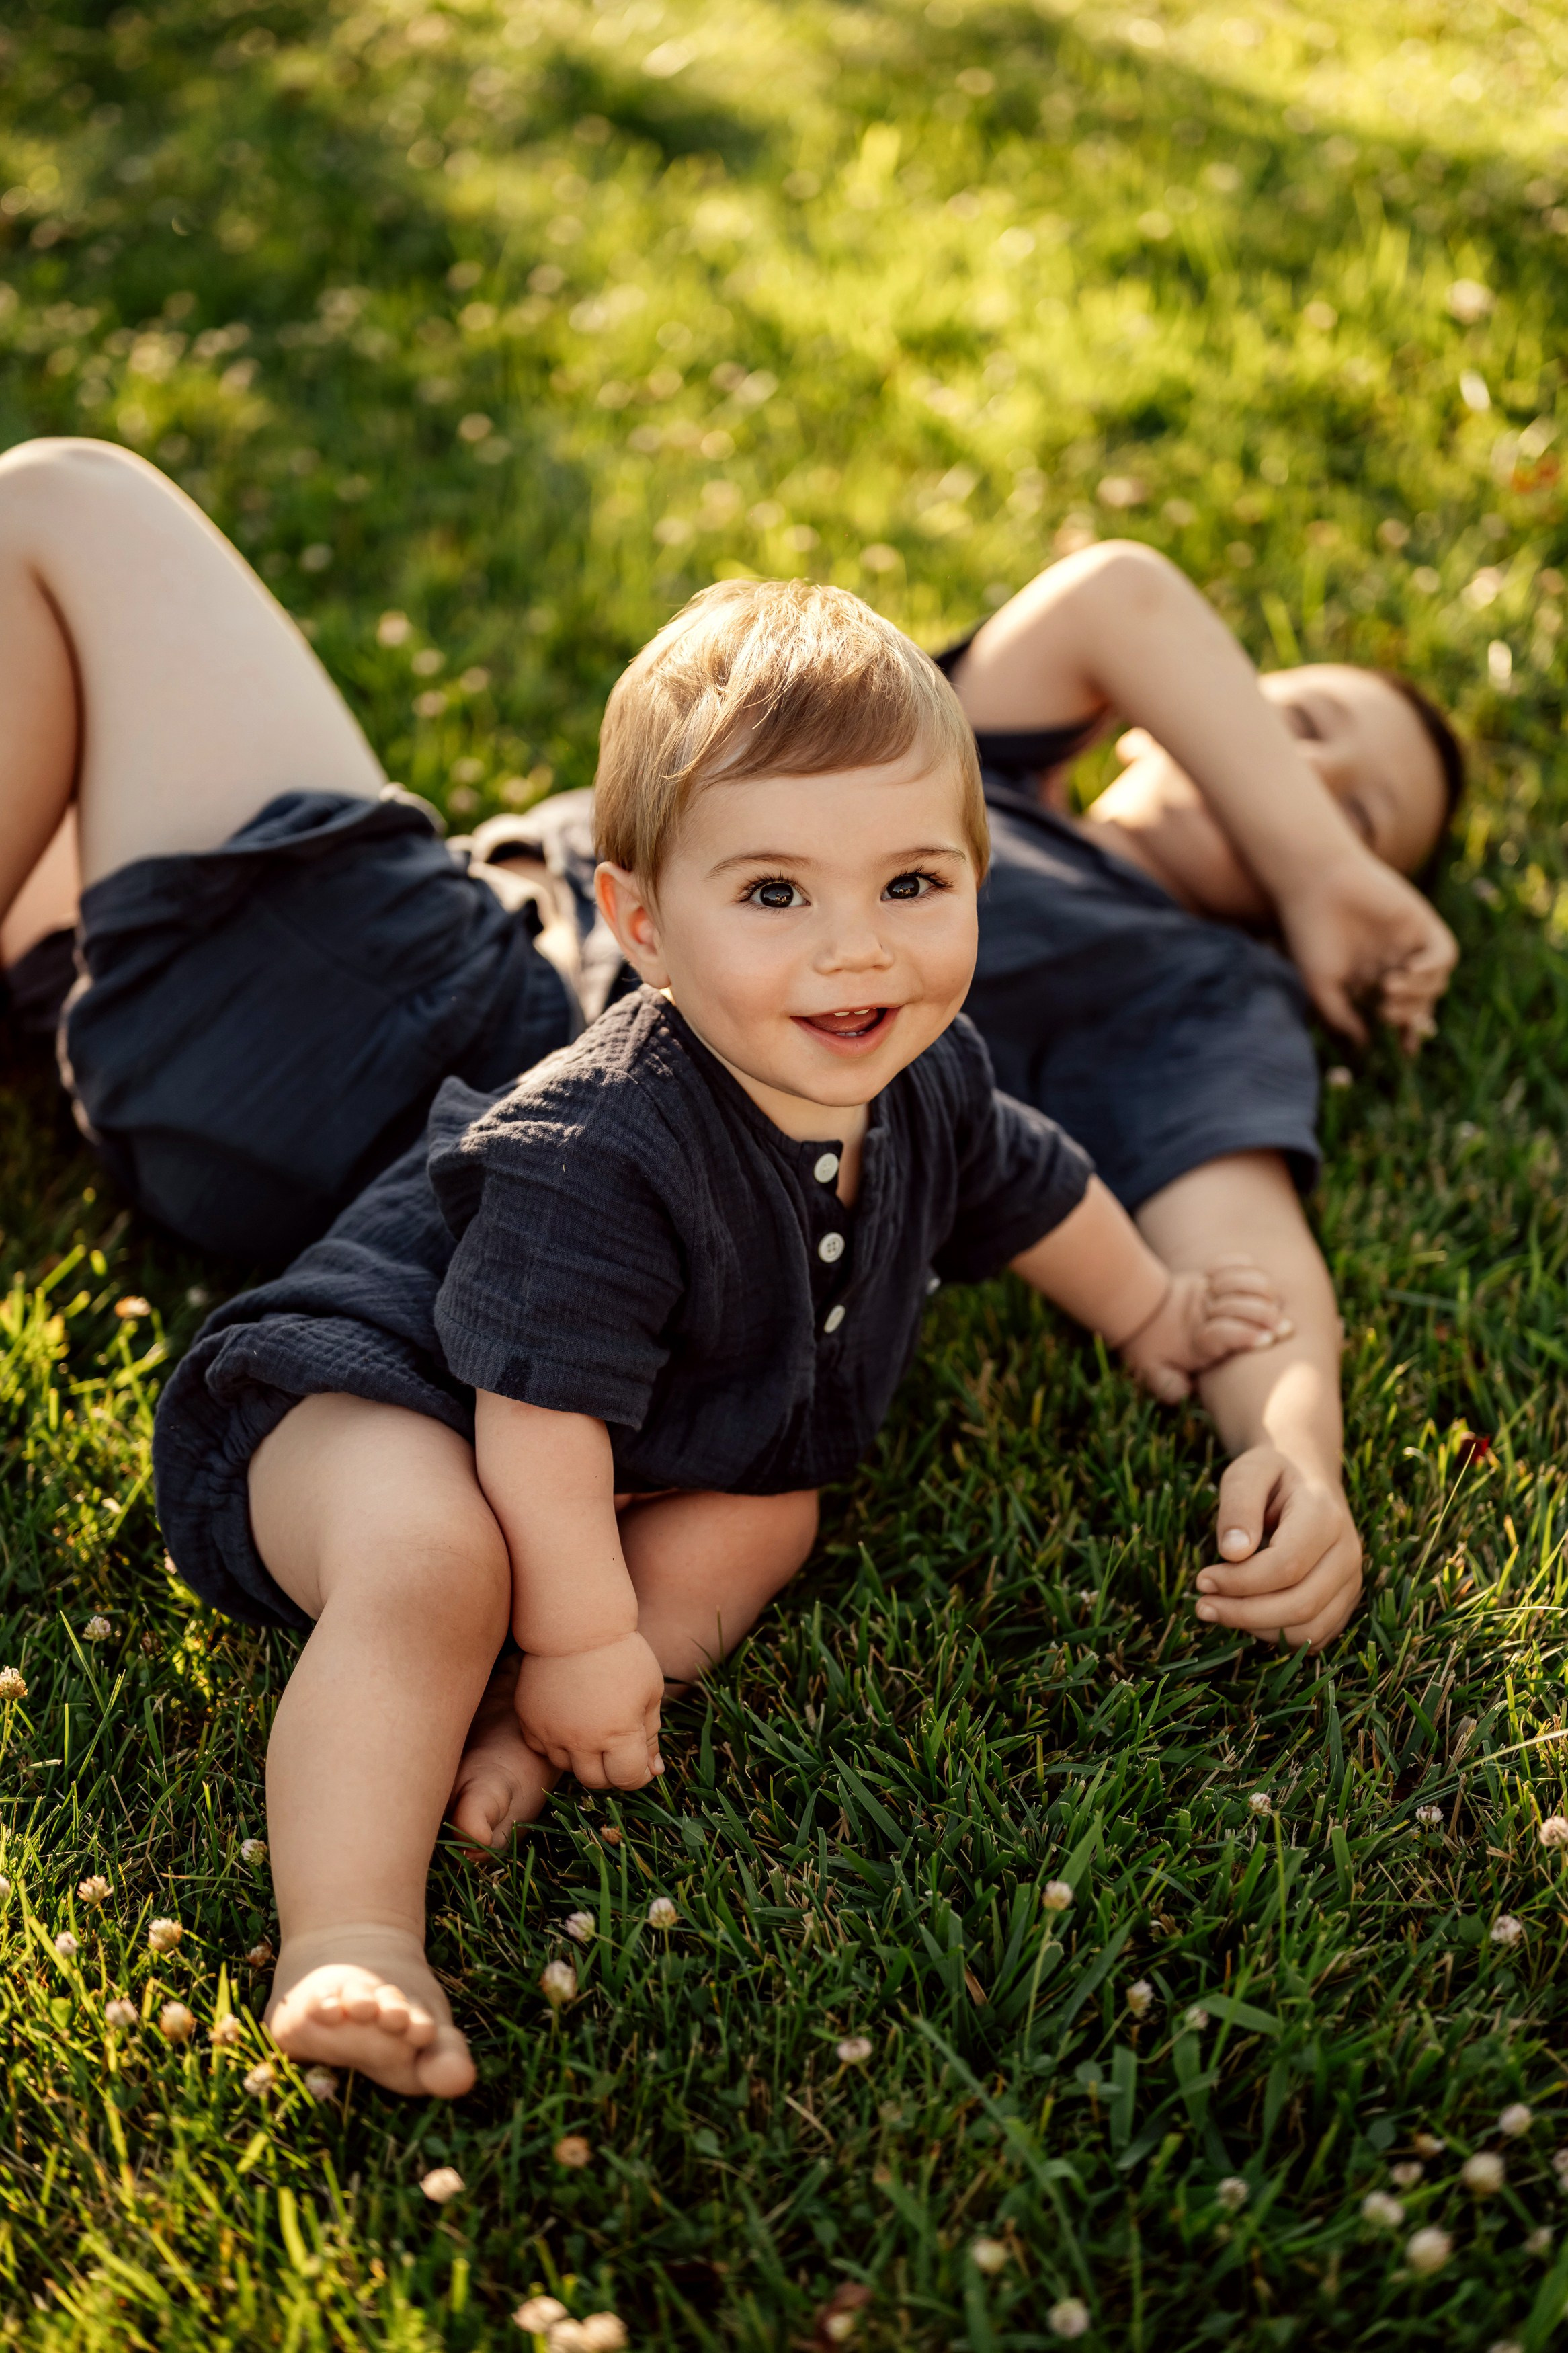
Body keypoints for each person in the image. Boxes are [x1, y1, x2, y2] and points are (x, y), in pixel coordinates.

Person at [0, 441, 1456, 1682]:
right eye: (1307, 722)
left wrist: (1297, 1451)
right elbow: (1121, 594)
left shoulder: (1195, 978)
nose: (1310, 781)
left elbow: (1238, 1249)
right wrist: (1326, 843)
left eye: (1366, 808)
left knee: (65, 506)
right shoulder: (967, 769)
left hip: (434, 1038)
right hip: (364, 981)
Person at [151, 580, 1289, 2096]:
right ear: (642, 923)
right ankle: (351, 1935)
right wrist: (580, 1626)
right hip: (391, 1393)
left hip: (639, 1436)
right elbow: (534, 1417)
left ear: (977, 873)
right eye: (774, 894)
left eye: (911, 885)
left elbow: (1030, 1182)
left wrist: (1152, 1306)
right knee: (445, 1567)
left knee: (769, 1512)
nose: (857, 953)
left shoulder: (923, 1068)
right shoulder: (602, 1144)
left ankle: (522, 1739)